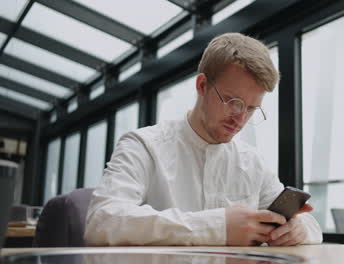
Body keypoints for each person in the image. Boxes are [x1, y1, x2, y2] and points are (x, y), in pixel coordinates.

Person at [84, 32, 322, 246]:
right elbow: (101, 221)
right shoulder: (143, 145)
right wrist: (218, 226)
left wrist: (299, 230)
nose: (240, 118)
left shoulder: (252, 162)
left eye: (250, 108)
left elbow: (309, 224)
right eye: (233, 101)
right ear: (202, 85)